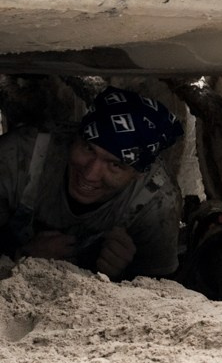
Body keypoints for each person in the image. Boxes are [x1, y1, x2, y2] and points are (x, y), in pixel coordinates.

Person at [0, 86, 184, 280]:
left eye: (115, 164)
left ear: (138, 173)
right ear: (76, 138)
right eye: (88, 148)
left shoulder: (158, 201)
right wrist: (21, 257)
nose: (90, 174)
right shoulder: (18, 156)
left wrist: (121, 276)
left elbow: (162, 292)